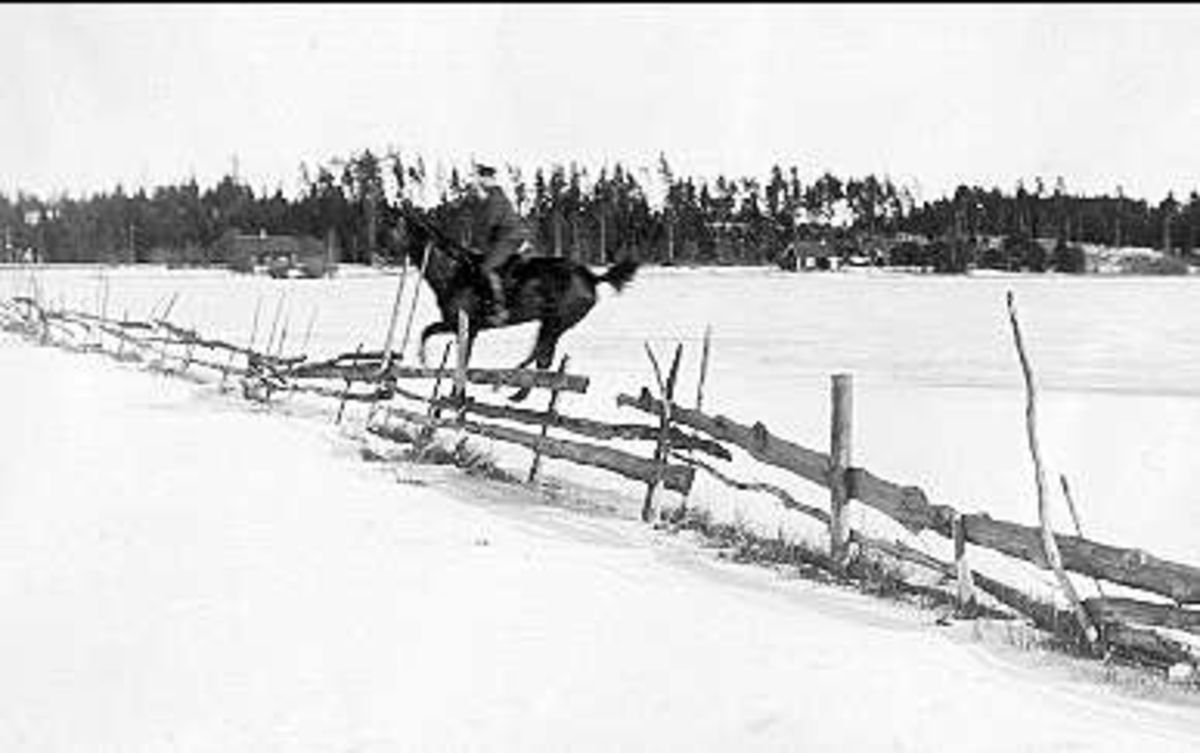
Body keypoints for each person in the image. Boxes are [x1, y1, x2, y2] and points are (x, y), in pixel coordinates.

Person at [467, 162, 526, 325]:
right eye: (478, 178)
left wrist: (476, 246)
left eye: (481, 178)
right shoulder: (490, 197)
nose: (478, 182)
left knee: (487, 268)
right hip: (503, 238)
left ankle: (499, 309)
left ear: (489, 179)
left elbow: (488, 225)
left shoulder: (495, 198)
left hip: (509, 238)